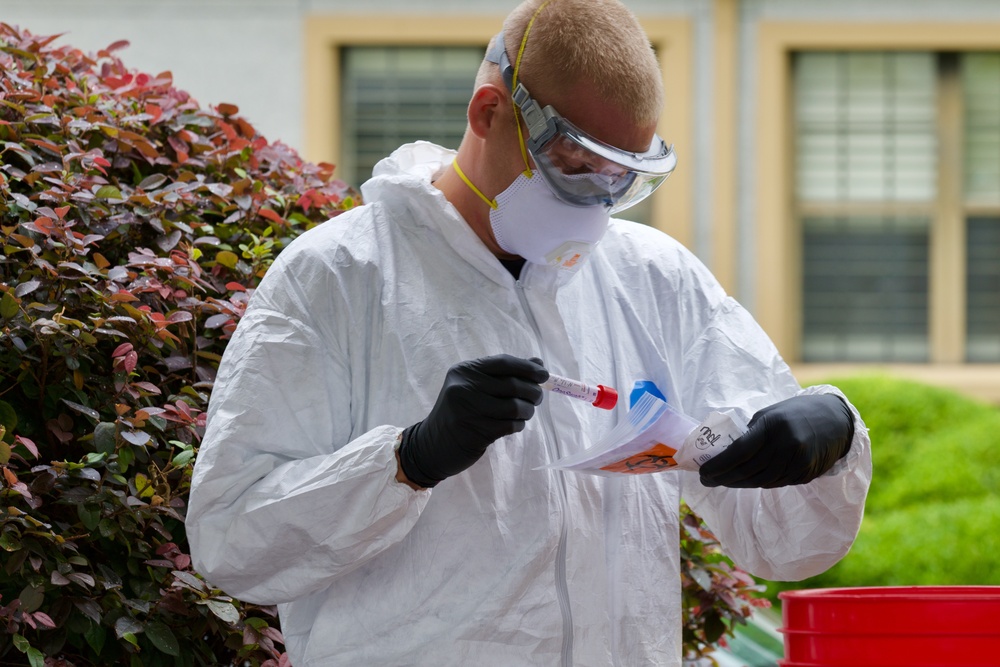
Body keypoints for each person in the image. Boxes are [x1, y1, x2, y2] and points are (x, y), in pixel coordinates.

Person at [187, 0, 872, 664]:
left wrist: (830, 436)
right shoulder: (340, 277)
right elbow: (233, 539)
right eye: (576, 168)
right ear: (490, 113)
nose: (596, 203)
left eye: (620, 178)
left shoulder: (654, 280)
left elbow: (785, 545)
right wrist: (405, 460)